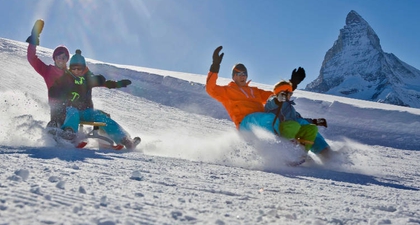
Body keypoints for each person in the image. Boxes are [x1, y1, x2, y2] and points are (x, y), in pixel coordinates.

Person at [206, 46, 305, 134]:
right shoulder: (227, 91)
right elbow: (211, 89)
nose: (243, 76)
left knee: (288, 122)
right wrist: (215, 67)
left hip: (261, 120)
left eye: (244, 74)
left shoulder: (255, 91)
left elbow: (276, 95)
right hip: (245, 123)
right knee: (270, 118)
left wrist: (292, 84)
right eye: (239, 74)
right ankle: (277, 145)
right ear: (233, 76)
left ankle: (309, 150)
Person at [53, 49, 140, 149]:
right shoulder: (66, 78)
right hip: (70, 111)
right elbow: (57, 89)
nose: (76, 71)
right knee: (73, 112)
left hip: (86, 111)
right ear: (70, 68)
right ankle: (69, 135)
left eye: (79, 69)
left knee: (100, 116)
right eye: (74, 68)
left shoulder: (88, 80)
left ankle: (125, 140)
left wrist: (118, 83)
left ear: (84, 69)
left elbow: (104, 83)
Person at [264, 80, 330, 156]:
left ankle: (302, 153)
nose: (291, 95)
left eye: (291, 93)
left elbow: (298, 119)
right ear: (283, 92)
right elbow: (270, 105)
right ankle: (288, 152)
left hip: (292, 129)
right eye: (290, 93)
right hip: (279, 129)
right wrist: (277, 99)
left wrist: (314, 121)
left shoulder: (289, 107)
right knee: (294, 125)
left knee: (312, 129)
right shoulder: (272, 100)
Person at [26, 19, 70, 127]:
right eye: (58, 57)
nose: (61, 59)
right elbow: (32, 59)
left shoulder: (71, 74)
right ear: (54, 58)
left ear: (67, 60)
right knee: (56, 95)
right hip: (56, 107)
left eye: (64, 57)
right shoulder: (48, 71)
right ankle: (54, 127)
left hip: (71, 108)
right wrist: (34, 39)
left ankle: (70, 132)